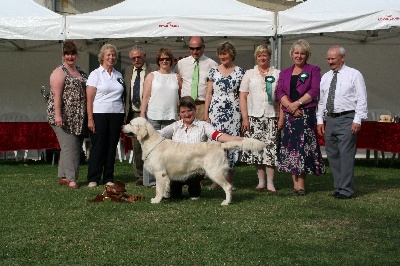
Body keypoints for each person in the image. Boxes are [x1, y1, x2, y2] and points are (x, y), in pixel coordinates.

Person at [158, 96, 245, 200]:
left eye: (189, 111)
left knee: (194, 195)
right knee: (173, 195)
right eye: (183, 112)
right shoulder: (175, 126)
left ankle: (195, 189)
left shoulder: (203, 126)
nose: (186, 114)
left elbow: (217, 135)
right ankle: (174, 188)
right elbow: (159, 134)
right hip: (177, 169)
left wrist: (234, 139)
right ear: (179, 113)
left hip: (196, 167)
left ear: (195, 110)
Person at [317, 45, 368, 199]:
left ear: (342, 58)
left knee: (346, 155)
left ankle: (346, 189)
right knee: (332, 155)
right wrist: (320, 120)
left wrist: (357, 119)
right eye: (328, 59)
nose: (330, 61)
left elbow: (361, 98)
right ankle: (339, 187)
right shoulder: (326, 77)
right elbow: (321, 101)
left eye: (333, 58)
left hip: (347, 118)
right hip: (330, 119)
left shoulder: (354, 75)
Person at [275, 39, 325, 196]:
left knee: (302, 149)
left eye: (302, 53)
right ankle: (294, 185)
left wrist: (297, 104)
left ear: (307, 55)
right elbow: (279, 92)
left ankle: (301, 186)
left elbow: (315, 90)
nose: (299, 56)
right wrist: (290, 107)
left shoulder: (314, 70)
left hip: (305, 114)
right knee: (291, 148)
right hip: (290, 115)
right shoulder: (284, 73)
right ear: (291, 54)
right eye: (296, 53)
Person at [239, 44, 280, 192]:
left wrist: (280, 116)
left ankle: (270, 182)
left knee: (270, 149)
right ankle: (260, 182)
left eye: (265, 55)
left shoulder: (277, 73)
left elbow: (281, 97)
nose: (262, 58)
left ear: (269, 56)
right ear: (256, 58)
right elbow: (243, 95)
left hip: (272, 116)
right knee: (257, 150)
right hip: (253, 116)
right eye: (259, 55)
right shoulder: (250, 73)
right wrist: (245, 117)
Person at [47, 40, 87, 189]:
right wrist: (58, 115)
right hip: (62, 116)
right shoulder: (59, 72)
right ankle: (72, 179)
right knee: (71, 146)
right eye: (67, 54)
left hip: (77, 117)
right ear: (63, 55)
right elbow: (56, 96)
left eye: (73, 54)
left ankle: (63, 175)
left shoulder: (80, 71)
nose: (70, 57)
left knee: (70, 145)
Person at [204, 41, 245, 189]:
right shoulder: (213, 71)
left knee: (232, 146)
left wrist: (243, 116)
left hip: (234, 113)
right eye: (220, 54)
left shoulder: (240, 71)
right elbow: (208, 93)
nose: (222, 56)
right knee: (216, 146)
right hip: (215, 113)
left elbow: (242, 94)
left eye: (225, 53)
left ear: (231, 54)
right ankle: (216, 180)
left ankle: (229, 180)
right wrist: (206, 114)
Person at [140, 47, 181, 187]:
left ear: (171, 61)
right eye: (162, 59)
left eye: (167, 59)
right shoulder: (152, 76)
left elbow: (180, 97)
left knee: (168, 152)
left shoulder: (176, 77)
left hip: (171, 117)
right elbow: (145, 97)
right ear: (158, 61)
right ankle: (150, 181)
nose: (164, 61)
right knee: (151, 150)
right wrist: (142, 115)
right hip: (153, 116)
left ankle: (166, 179)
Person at [86, 44, 125, 188]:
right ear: (102, 57)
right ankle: (93, 177)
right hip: (99, 114)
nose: (111, 57)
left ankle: (108, 177)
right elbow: (89, 99)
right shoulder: (95, 74)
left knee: (111, 147)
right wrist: (90, 118)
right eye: (108, 55)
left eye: (114, 55)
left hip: (116, 114)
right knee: (98, 146)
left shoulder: (118, 75)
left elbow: (122, 96)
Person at [122, 45, 157, 186]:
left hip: (151, 111)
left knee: (151, 144)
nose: (136, 59)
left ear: (144, 56)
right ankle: (140, 176)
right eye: (133, 58)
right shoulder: (126, 71)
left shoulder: (154, 69)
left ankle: (153, 174)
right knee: (137, 146)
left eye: (139, 57)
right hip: (134, 113)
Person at [175, 36, 218, 121]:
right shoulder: (181, 64)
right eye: (192, 48)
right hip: (185, 106)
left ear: (203, 47)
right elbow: (179, 84)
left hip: (203, 106)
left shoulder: (212, 64)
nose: (195, 51)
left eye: (198, 48)